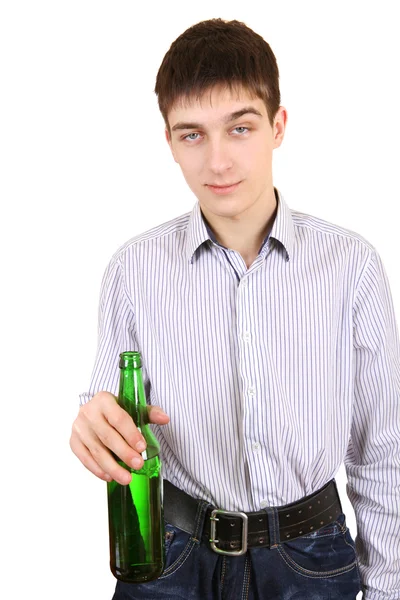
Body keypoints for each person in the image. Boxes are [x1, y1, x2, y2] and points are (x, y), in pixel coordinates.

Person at [70, 17, 400, 600]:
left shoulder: (353, 266)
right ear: (168, 141)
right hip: (171, 561)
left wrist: (387, 589)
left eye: (239, 128)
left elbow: (383, 450)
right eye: (192, 134)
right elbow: (109, 406)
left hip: (311, 559)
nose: (218, 162)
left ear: (278, 127)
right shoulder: (132, 269)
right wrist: (93, 422)